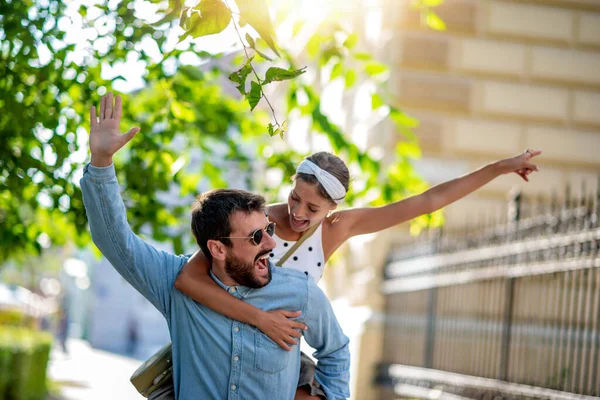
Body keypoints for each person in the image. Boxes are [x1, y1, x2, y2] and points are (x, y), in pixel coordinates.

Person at [174, 125, 541, 398]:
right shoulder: (256, 221)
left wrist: (500, 168)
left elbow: (428, 201)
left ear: (333, 208)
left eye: (313, 208)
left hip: (278, 359)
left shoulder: (336, 229)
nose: (298, 212)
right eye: (294, 197)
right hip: (227, 344)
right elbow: (189, 280)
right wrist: (259, 318)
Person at [80, 93, 351, 399]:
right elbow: (115, 240)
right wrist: (102, 162)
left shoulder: (299, 292)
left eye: (269, 229)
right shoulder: (175, 283)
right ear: (218, 249)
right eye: (256, 237)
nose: (272, 243)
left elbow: (336, 352)